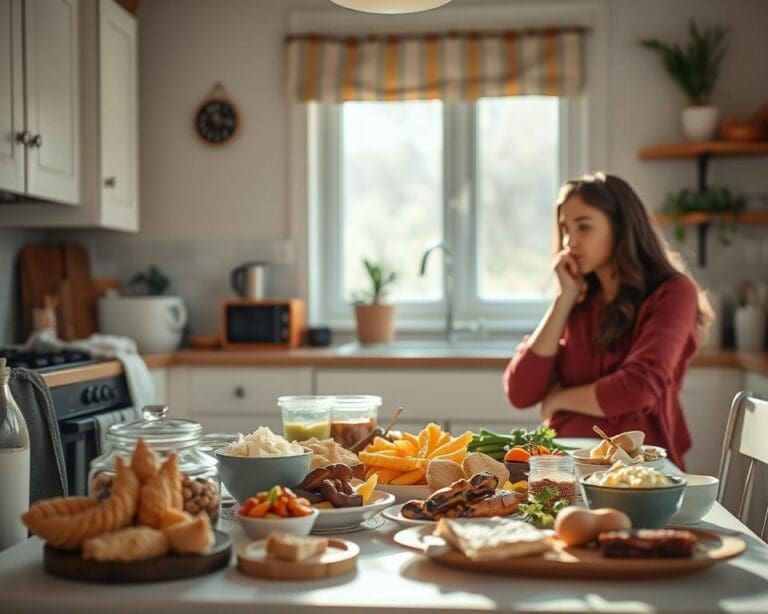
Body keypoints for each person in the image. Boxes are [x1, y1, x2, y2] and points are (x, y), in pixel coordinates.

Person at [503, 172, 712, 469]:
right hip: (562, 468)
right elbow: (521, 392)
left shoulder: (674, 293)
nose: (569, 241)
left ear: (620, 227)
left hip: (638, 473)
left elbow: (636, 388)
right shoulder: (579, 298)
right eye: (564, 229)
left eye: (583, 227)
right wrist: (564, 298)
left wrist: (560, 400)